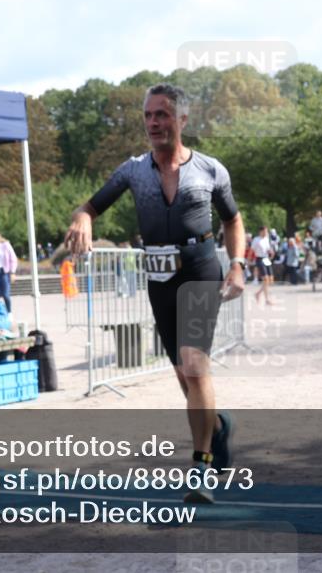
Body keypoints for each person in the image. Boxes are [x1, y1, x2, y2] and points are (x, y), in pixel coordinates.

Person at [64, 83, 245, 504]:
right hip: (158, 278)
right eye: (147, 115)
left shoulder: (210, 170)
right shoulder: (132, 171)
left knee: (194, 365)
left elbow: (233, 221)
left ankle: (199, 467)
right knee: (184, 376)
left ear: (182, 120)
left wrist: (237, 265)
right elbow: (89, 206)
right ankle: (217, 428)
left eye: (161, 114)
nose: (153, 123)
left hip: (200, 268)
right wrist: (82, 218)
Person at [251, 227, 276, 306]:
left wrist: (271, 252)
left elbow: (268, 249)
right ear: (260, 231)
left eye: (266, 232)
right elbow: (252, 250)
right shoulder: (256, 239)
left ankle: (258, 293)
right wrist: (249, 260)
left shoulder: (266, 239)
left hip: (266, 259)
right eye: (264, 231)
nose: (266, 233)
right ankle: (267, 299)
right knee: (265, 279)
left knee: (270, 279)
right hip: (260, 259)